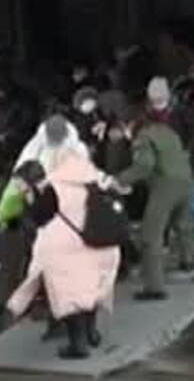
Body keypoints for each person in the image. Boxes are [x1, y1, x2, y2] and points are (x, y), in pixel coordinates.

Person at [7, 147, 123, 361]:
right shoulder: (94, 183)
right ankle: (91, 333)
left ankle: (78, 345)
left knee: (70, 296)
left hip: (66, 249)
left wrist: (28, 200)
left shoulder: (55, 188)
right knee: (90, 290)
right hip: (98, 243)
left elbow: (39, 216)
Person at [114, 105, 194, 300]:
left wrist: (119, 180)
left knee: (150, 235)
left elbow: (144, 165)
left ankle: (154, 287)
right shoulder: (169, 132)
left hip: (165, 186)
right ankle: (189, 262)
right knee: (184, 226)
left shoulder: (143, 137)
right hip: (187, 182)